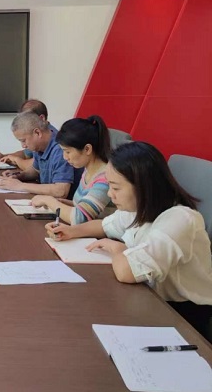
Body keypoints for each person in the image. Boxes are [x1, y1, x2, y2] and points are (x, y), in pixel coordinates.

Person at [46, 142, 212, 340]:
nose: (110, 194)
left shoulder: (180, 219)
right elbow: (104, 225)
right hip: (149, 296)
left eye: (116, 187)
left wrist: (118, 249)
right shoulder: (139, 208)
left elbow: (127, 272)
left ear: (144, 186)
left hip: (184, 315)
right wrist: (71, 231)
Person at [31, 115, 112, 224]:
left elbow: (80, 218)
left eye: (68, 152)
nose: (65, 157)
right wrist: (58, 203)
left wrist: (49, 200)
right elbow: (83, 206)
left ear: (87, 149)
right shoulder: (88, 170)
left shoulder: (105, 177)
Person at [0, 111, 81, 198]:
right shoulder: (39, 147)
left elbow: (61, 191)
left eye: (23, 140)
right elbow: (36, 170)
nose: (23, 146)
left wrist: (20, 186)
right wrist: (18, 175)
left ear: (37, 133)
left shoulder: (60, 149)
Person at [0, 99, 56, 171]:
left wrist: (16, 159)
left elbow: (32, 167)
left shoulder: (49, 140)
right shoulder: (35, 139)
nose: (22, 121)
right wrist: (4, 156)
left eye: (27, 118)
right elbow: (26, 154)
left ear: (41, 118)